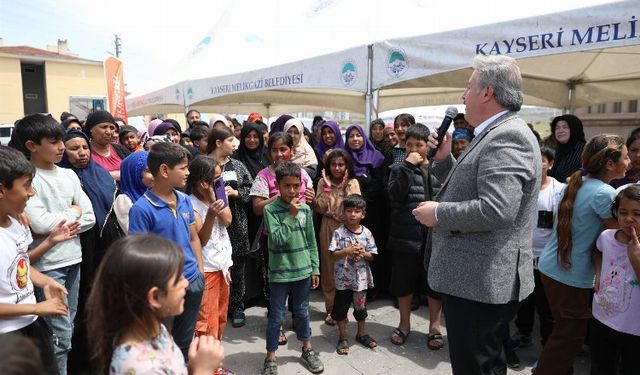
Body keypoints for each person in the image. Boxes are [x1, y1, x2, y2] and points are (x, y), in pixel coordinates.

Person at [412, 55, 542, 375]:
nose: (462, 96)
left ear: (487, 92)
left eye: (468, 87)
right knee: (486, 363)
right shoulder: (493, 132)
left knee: (476, 367)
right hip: (477, 280)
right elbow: (471, 187)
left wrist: (439, 213)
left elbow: (497, 209)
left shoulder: (507, 136)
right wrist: (443, 161)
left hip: (482, 282)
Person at [536, 134, 630, 375]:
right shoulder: (604, 193)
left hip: (554, 268)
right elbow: (618, 236)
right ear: (610, 164)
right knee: (568, 338)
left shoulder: (581, 182)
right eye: (626, 157)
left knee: (562, 333)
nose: (629, 162)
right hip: (570, 275)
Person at [12, 114, 97, 375]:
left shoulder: (69, 175)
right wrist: (73, 213)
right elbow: (40, 224)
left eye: (62, 140)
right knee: (58, 335)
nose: (62, 147)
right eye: (54, 141)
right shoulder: (29, 178)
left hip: (74, 259)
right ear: (31, 146)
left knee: (66, 328)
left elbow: (91, 216)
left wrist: (64, 221)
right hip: (46, 266)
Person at [86, 235, 224, 375]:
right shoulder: (141, 367)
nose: (186, 283)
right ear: (154, 297)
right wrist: (203, 370)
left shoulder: (156, 330)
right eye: (178, 280)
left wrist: (193, 368)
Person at [0, 146, 79, 375]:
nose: (32, 193)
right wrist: (37, 306)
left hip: (32, 325)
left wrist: (44, 281)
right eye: (26, 186)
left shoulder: (15, 222)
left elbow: (20, 263)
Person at [128, 142, 205, 360]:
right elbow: (139, 255)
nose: (188, 173)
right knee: (161, 342)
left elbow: (193, 237)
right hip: (164, 289)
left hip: (192, 282)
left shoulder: (184, 200)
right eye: (183, 168)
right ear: (164, 170)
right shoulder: (141, 209)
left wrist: (199, 272)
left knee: (184, 341)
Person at [58, 130, 123, 373]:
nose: (82, 152)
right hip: (76, 250)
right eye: (74, 148)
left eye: (84, 147)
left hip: (104, 251)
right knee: (80, 310)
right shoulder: (63, 179)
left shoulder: (102, 176)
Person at [261, 161, 323, 375]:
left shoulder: (305, 209)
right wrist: (290, 215)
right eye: (287, 186)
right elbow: (277, 239)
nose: (292, 191)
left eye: (296, 186)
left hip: (303, 271)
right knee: (276, 316)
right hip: (279, 274)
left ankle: (307, 348)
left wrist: (315, 268)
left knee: (303, 312)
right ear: (277, 185)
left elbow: (311, 241)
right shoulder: (270, 209)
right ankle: (270, 356)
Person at [387, 124, 443, 350]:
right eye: (408, 144)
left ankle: (435, 327)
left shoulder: (439, 169)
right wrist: (408, 167)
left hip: (434, 237)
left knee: (434, 284)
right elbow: (394, 196)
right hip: (405, 235)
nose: (413, 149)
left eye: (418, 145)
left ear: (427, 146)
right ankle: (404, 325)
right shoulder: (398, 168)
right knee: (404, 282)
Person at [510, 146, 563, 351]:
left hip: (547, 261)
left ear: (550, 164)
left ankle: (547, 347)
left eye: (542, 160)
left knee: (545, 307)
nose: (536, 164)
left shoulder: (560, 191)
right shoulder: (519, 188)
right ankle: (523, 334)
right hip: (522, 257)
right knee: (523, 302)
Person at [206, 127, 254, 329]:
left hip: (236, 222)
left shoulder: (237, 165)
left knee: (238, 267)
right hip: (210, 222)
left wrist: (236, 192)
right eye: (230, 140)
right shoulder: (203, 164)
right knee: (213, 266)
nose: (234, 145)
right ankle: (215, 308)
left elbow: (251, 188)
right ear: (218, 143)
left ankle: (237, 306)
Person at [590, 185, 640, 375]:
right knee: (600, 368)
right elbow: (596, 252)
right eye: (623, 212)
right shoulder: (607, 237)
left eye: (637, 213)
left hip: (634, 331)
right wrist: (598, 273)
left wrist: (636, 256)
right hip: (602, 320)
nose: (629, 219)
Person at [186, 157, 233, 341]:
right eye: (215, 180)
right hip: (207, 269)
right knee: (207, 321)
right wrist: (211, 215)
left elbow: (228, 221)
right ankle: (206, 364)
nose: (220, 183)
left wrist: (215, 198)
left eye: (220, 179)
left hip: (223, 266)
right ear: (202, 183)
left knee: (221, 317)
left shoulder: (219, 193)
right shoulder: (190, 204)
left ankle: (214, 359)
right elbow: (201, 240)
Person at [314, 149, 360, 325]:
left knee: (347, 267)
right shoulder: (322, 182)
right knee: (328, 268)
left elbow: (355, 205)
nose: (337, 168)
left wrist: (343, 186)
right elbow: (319, 207)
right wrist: (327, 187)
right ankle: (331, 309)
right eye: (333, 164)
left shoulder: (353, 182)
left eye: (341, 164)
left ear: (347, 166)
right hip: (328, 226)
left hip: (348, 228)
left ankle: (344, 308)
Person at [329, 194, 377, 355]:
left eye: (357, 211)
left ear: (363, 214)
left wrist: (363, 252)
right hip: (343, 280)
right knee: (340, 309)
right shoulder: (339, 232)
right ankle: (343, 336)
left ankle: (361, 333)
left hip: (360, 281)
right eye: (349, 211)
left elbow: (372, 256)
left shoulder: (367, 233)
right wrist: (347, 251)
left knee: (360, 308)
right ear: (344, 213)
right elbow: (332, 254)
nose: (353, 214)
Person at [83, 110, 130, 182]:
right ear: (91, 129)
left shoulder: (122, 150)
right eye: (104, 127)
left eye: (112, 128)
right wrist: (111, 176)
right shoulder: (84, 153)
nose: (108, 132)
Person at [113, 151, 153, 234]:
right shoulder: (124, 200)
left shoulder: (156, 193)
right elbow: (136, 234)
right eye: (149, 171)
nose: (155, 174)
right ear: (135, 173)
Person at [547, 114, 586, 183]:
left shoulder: (584, 151)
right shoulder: (553, 150)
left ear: (574, 129)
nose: (560, 131)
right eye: (557, 128)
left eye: (565, 127)